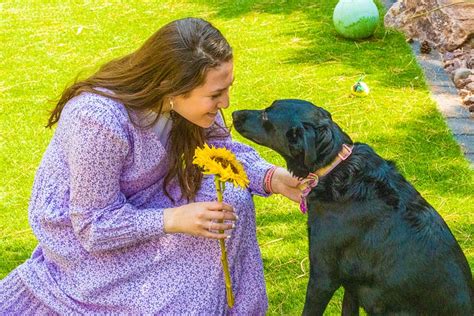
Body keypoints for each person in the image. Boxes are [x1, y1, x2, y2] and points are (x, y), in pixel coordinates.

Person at [0, 17, 301, 314]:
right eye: (215, 94)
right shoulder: (98, 121)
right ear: (172, 87)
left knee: (230, 201)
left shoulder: (186, 108)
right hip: (86, 238)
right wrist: (173, 220)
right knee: (174, 283)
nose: (226, 103)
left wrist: (272, 178)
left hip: (148, 197)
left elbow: (220, 150)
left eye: (227, 88)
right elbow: (92, 225)